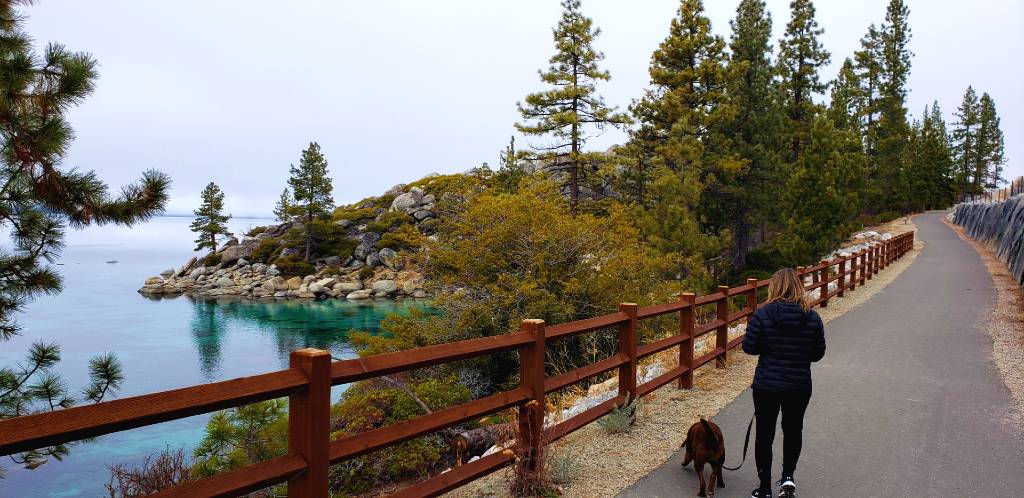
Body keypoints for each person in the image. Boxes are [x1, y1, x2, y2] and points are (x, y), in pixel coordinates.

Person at [742, 268, 826, 498]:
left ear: (774, 287)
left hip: (766, 385)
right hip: (798, 385)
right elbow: (818, 353)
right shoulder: (812, 316)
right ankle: (788, 478)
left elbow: (749, 347)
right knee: (793, 430)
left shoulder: (762, 314)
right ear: (798, 286)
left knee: (764, 434)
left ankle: (765, 487)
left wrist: (769, 348)